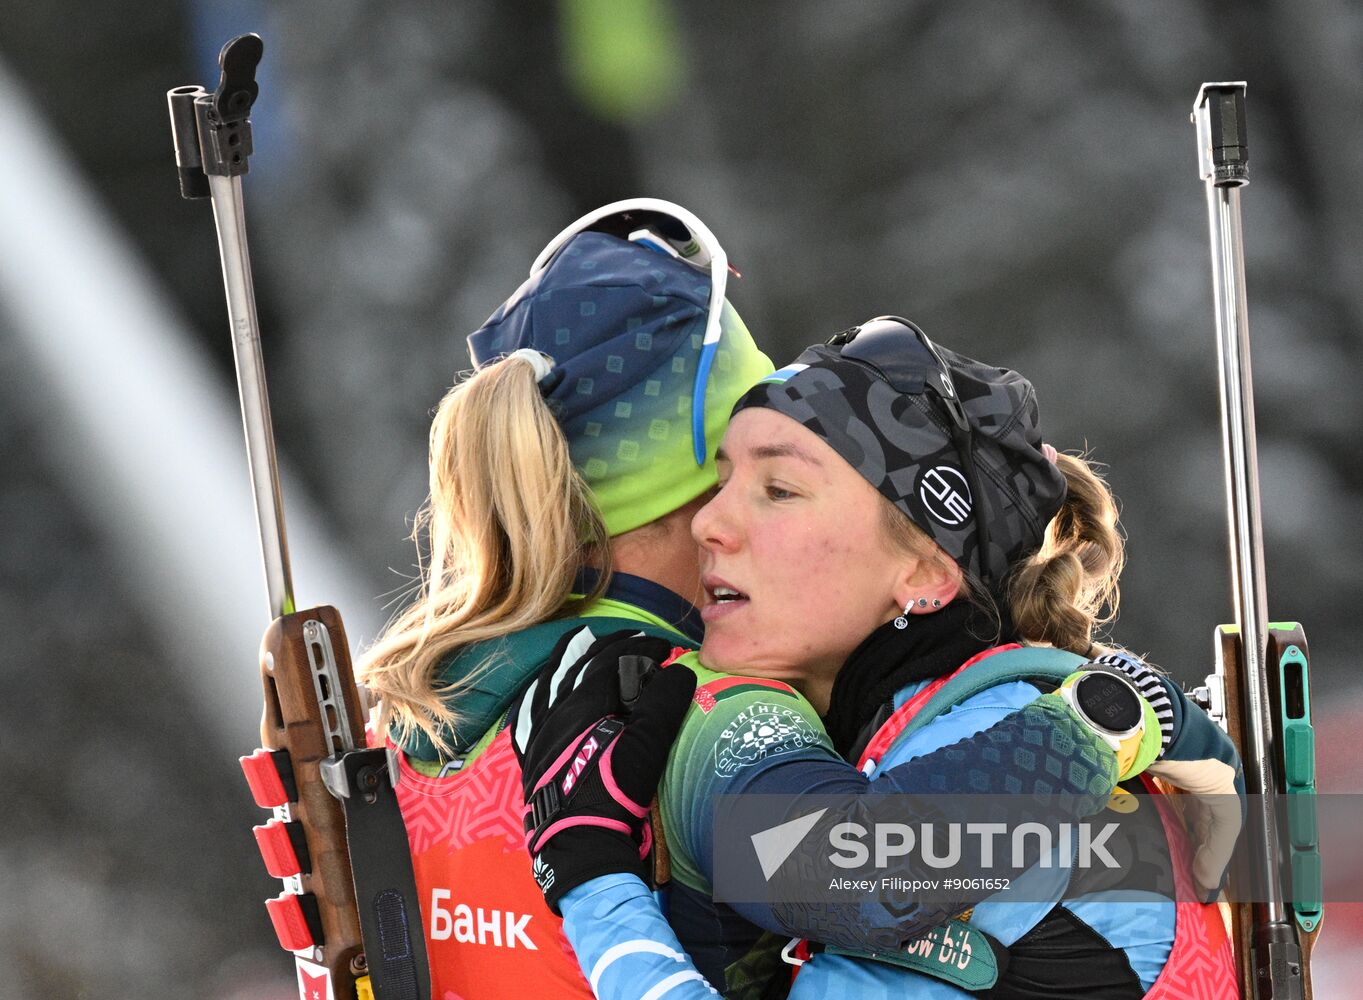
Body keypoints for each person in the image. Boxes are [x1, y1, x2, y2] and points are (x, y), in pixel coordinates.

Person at [357, 201, 1186, 999]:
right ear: (698, 464)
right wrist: (1108, 720)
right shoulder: (685, 708)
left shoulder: (411, 710)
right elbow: (859, 872)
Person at [513, 318, 1244, 998]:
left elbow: (862, 873)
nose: (708, 522)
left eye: (778, 489)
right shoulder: (919, 737)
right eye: (719, 482)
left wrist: (596, 884)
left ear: (925, 574)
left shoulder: (1008, 760)